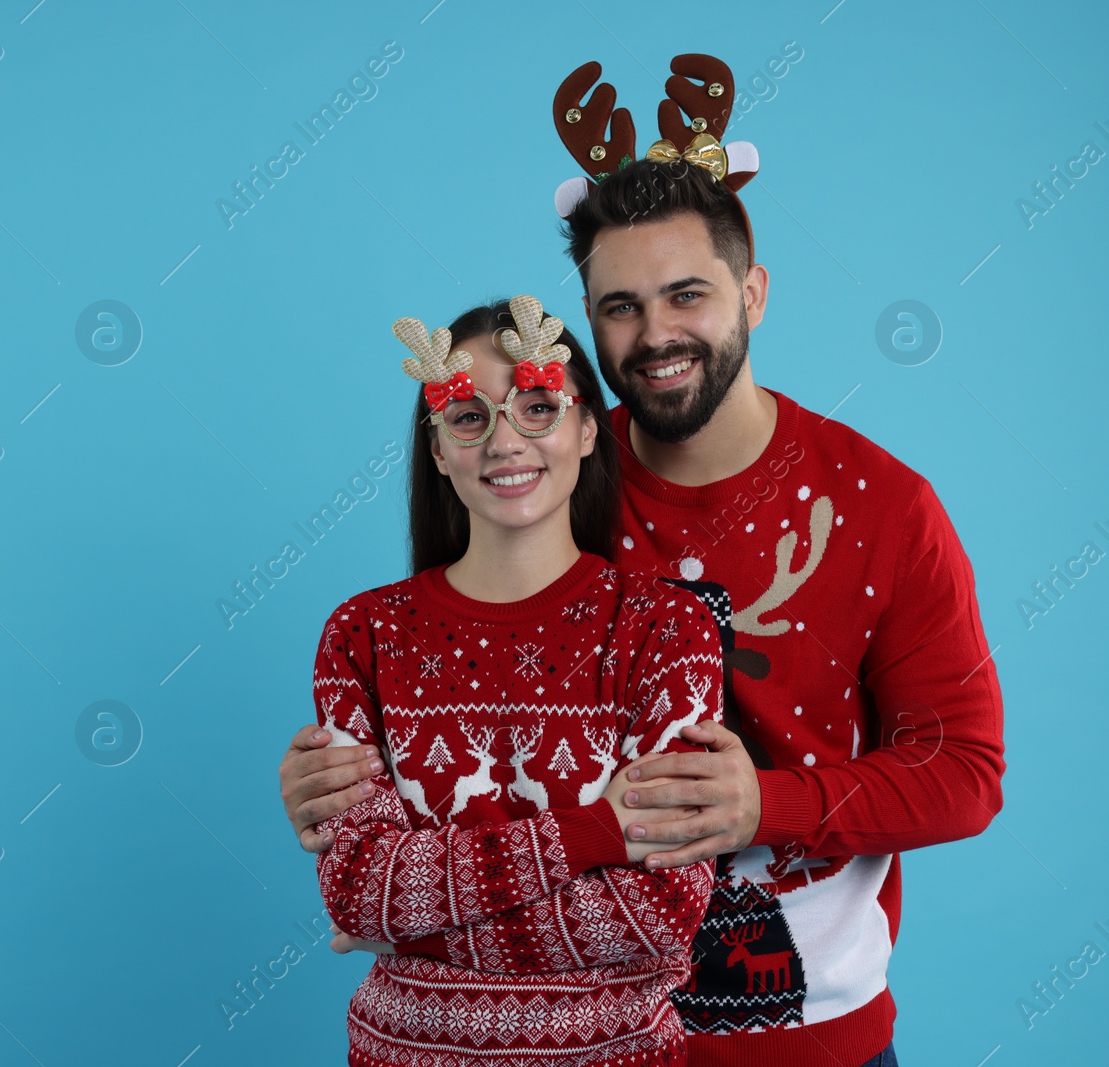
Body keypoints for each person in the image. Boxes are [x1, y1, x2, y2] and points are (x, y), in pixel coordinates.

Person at [281, 54, 1004, 1067]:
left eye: (687, 294)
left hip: (807, 1035)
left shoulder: (886, 507)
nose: (655, 333)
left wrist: (765, 803)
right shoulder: (535, 480)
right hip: (565, 1041)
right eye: (618, 304)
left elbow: (963, 772)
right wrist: (336, 790)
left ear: (752, 289)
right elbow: (442, 719)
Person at [308, 293, 727, 1067]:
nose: (506, 441)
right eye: (469, 417)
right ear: (438, 449)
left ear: (587, 429)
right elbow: (359, 890)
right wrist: (597, 831)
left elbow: (662, 909)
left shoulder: (667, 633)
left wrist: (416, 921)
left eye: (537, 406)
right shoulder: (362, 636)